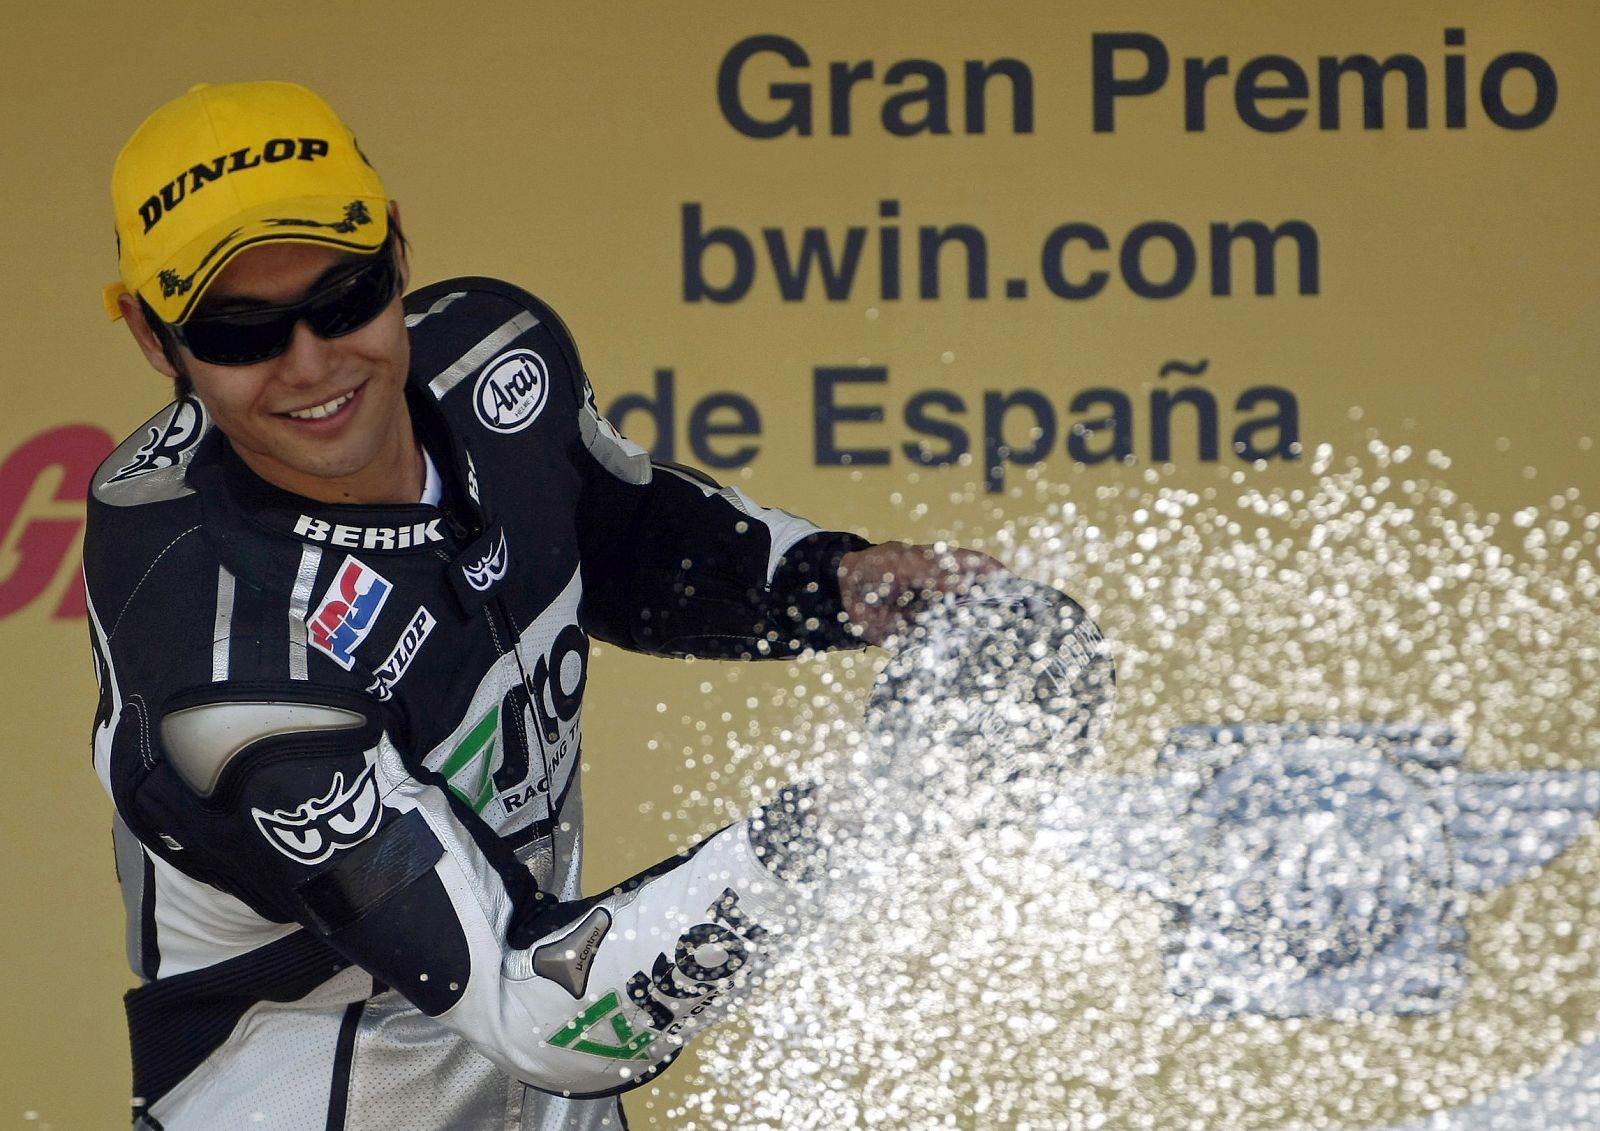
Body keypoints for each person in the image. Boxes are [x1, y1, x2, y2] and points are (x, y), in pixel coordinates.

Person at [86, 81, 1013, 1130]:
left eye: (345, 298)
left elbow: (618, 539)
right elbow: (540, 1013)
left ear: (398, 247)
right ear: (153, 338)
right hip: (321, 1093)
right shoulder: (225, 654)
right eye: (239, 333)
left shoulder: (492, 355)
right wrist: (846, 830)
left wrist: (866, 590)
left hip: (536, 1083)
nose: (312, 364)